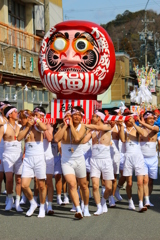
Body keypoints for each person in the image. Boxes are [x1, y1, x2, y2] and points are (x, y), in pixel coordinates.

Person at [54, 106, 90, 219]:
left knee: (84, 185)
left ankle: (86, 207)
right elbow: (56, 139)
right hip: (66, 161)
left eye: (79, 115)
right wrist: (65, 125)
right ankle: (78, 209)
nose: (77, 117)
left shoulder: (83, 127)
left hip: (79, 160)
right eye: (75, 115)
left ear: (82, 117)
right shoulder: (62, 126)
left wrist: (72, 126)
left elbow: (78, 138)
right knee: (72, 184)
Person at [83, 110, 114, 215]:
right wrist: (85, 131)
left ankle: (103, 201)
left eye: (94, 116)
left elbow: (98, 128)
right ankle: (98, 207)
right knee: (95, 186)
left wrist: (86, 125)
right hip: (94, 160)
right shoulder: (92, 131)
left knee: (108, 187)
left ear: (99, 118)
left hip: (106, 160)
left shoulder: (107, 127)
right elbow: (83, 141)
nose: (92, 118)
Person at [17, 109, 47, 218]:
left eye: (21, 118)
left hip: (39, 157)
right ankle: (33, 203)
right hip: (28, 158)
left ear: (27, 118)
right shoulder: (23, 128)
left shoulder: (37, 126)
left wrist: (36, 120)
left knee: (41, 185)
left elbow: (44, 128)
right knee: (24, 185)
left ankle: (42, 207)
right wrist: (28, 127)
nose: (19, 120)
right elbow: (19, 138)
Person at [118, 115, 148, 212]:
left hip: (138, 156)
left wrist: (135, 123)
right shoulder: (124, 129)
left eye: (131, 120)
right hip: (128, 156)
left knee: (140, 182)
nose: (130, 121)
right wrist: (122, 127)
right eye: (129, 121)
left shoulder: (136, 128)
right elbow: (122, 139)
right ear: (126, 122)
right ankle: (130, 201)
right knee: (129, 183)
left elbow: (143, 133)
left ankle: (140, 203)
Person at [0, 106, 23, 211]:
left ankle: (17, 202)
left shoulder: (20, 126)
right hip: (7, 155)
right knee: (9, 179)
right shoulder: (3, 127)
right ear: (9, 114)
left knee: (19, 180)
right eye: (15, 112)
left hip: (18, 154)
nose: (17, 113)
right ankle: (9, 199)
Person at [33, 106, 54, 215]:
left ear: (42, 116)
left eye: (37, 115)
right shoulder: (32, 126)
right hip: (37, 156)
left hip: (47, 155)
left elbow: (50, 139)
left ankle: (49, 205)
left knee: (49, 181)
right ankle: (36, 200)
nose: (35, 117)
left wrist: (45, 126)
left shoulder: (48, 126)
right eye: (34, 115)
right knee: (38, 181)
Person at [139, 111, 159, 207]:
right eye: (149, 118)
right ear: (145, 119)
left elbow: (152, 128)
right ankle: (146, 200)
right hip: (143, 158)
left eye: (153, 118)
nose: (152, 120)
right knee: (145, 180)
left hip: (153, 159)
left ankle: (148, 197)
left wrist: (141, 122)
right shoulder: (140, 129)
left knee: (151, 180)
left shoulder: (155, 128)